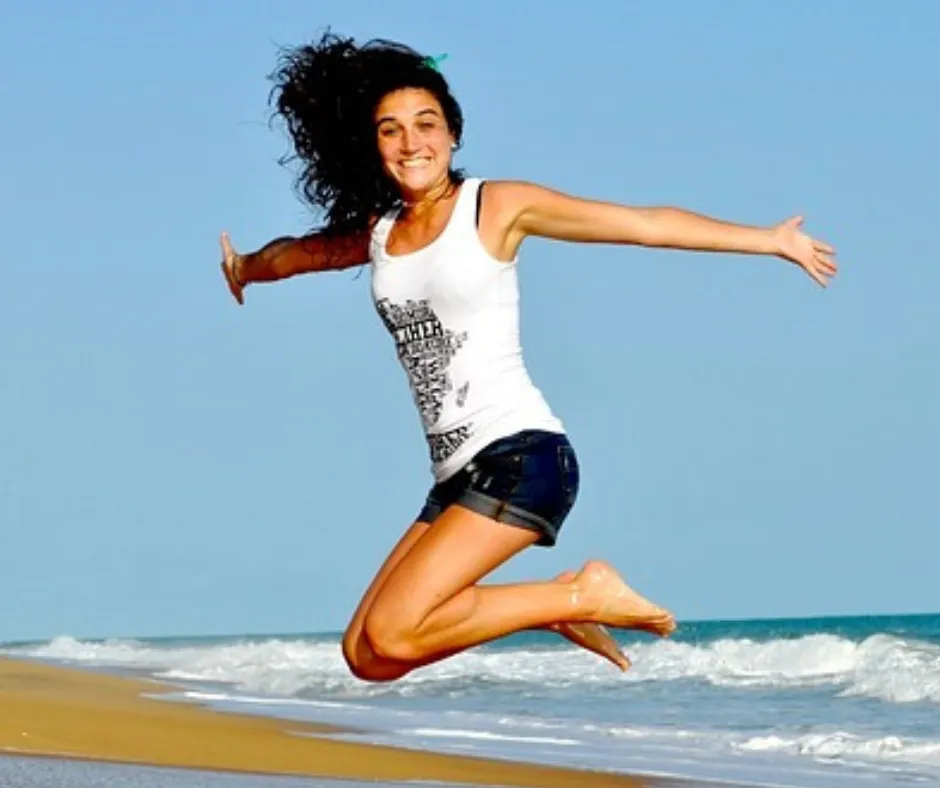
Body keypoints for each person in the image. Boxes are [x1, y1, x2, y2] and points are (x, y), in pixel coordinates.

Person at [219, 32, 838, 683]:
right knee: (367, 654)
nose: (411, 143)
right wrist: (246, 268)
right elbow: (297, 255)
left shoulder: (495, 207)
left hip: (521, 458)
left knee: (396, 630)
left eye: (426, 125)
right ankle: (553, 605)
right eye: (391, 130)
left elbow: (640, 223)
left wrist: (767, 240)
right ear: (371, 147)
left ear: (452, 133)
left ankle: (579, 594)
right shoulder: (380, 233)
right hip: (457, 476)